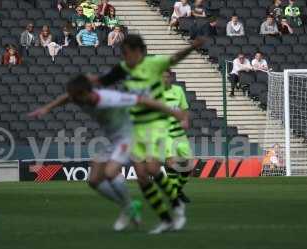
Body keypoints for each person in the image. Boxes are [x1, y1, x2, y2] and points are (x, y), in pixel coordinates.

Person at [28, 74, 189, 232]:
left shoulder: (110, 99)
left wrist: (173, 112)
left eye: (76, 97)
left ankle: (164, 206)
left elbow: (143, 101)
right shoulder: (79, 97)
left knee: (113, 172)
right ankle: (129, 207)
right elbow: (65, 98)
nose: (74, 100)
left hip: (129, 136)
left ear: (86, 92)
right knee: (94, 180)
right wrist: (47, 108)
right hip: (113, 140)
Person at [89, 35, 204, 234]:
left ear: (138, 51)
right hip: (135, 127)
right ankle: (166, 219)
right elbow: (105, 80)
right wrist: (90, 81)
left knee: (151, 167)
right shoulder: (124, 68)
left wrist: (191, 47)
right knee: (142, 177)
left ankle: (177, 204)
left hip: (157, 124)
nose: (124, 57)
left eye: (126, 52)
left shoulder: (155, 63)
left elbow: (175, 58)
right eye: (122, 53)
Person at [161, 70, 193, 226]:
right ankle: (174, 197)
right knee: (172, 162)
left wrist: (185, 120)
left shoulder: (178, 90)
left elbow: (184, 109)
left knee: (189, 165)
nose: (165, 79)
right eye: (163, 77)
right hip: (164, 133)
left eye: (167, 76)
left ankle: (177, 190)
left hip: (179, 133)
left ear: (171, 78)